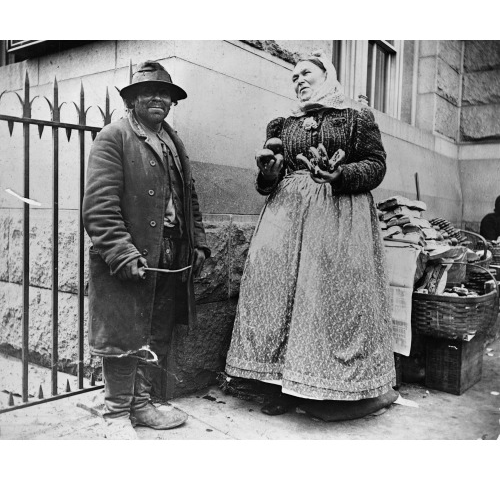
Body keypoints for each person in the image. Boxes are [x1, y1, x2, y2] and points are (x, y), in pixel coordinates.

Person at [225, 50, 395, 416]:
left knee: (326, 297)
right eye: (294, 77)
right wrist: (269, 173)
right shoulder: (282, 126)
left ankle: (329, 388)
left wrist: (341, 175)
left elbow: (376, 165)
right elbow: (268, 182)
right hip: (284, 220)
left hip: (337, 219)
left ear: (327, 75)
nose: (298, 80)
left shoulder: (356, 118)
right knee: (275, 293)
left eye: (306, 73)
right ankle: (276, 385)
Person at [83, 61, 210, 439]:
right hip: (131, 258)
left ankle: (140, 403)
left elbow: (190, 199)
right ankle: (119, 411)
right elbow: (99, 208)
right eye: (148, 93)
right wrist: (122, 255)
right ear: (132, 100)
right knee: (124, 332)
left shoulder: (173, 141)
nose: (158, 99)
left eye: (165, 94)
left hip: (168, 256)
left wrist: (198, 241)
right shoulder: (114, 137)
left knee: (154, 330)